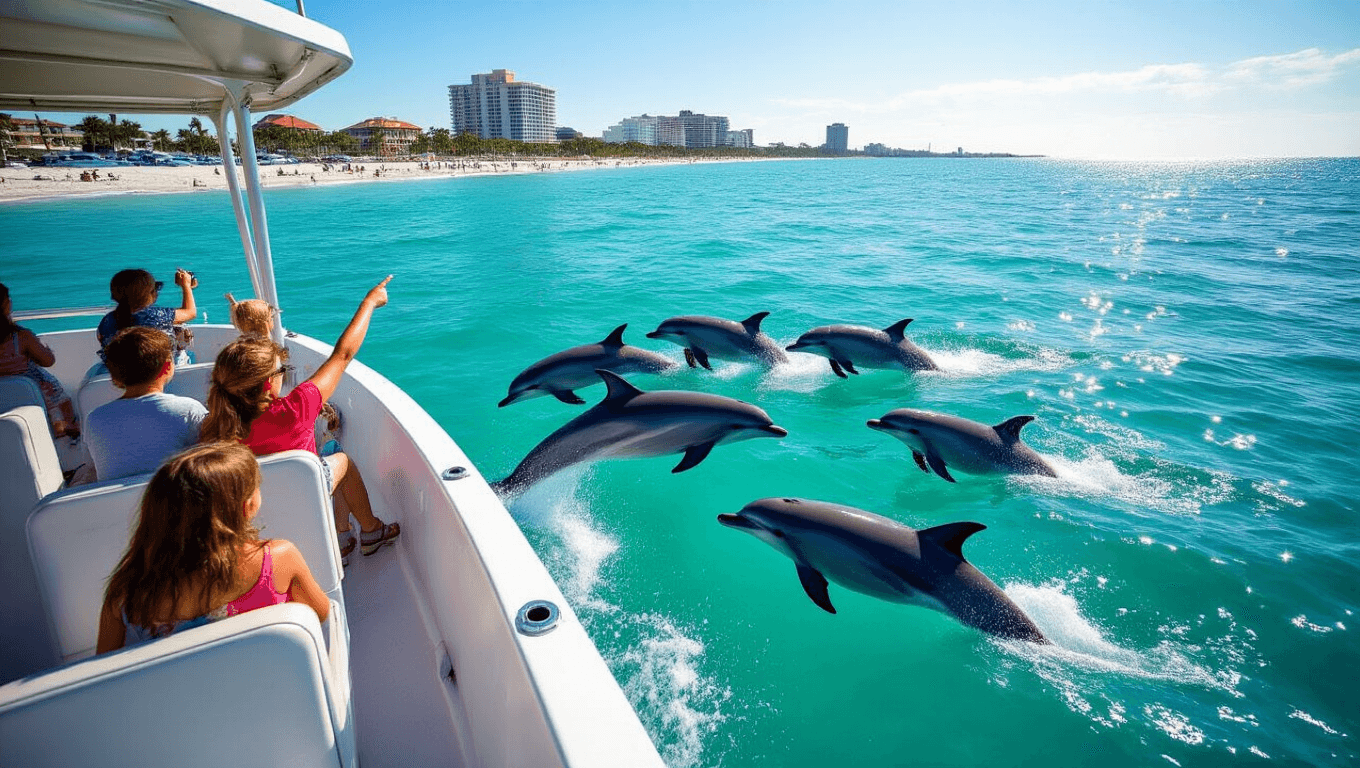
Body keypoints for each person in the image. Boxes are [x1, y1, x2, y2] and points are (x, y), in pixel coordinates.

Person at [201, 276, 400, 563]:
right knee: (340, 460)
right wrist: (369, 303)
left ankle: (343, 534)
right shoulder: (296, 408)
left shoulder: (212, 428)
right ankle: (371, 530)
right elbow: (342, 355)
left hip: (257, 517)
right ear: (269, 384)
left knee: (330, 456)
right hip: (306, 495)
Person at [96, 442, 329, 653]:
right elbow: (322, 614)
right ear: (247, 507)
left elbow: (106, 669)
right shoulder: (279, 559)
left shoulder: (125, 593)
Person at [84, 327, 207, 481]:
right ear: (168, 367)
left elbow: (96, 468)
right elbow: (209, 460)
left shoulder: (94, 419)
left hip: (116, 504)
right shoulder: (190, 410)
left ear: (114, 377)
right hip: (176, 500)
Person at [0, 282, 80, 438]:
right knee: (59, 396)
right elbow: (48, 361)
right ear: (6, 305)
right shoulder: (22, 336)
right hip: (28, 387)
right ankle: (66, 426)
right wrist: (46, 349)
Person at [95, 268, 198, 364]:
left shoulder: (107, 320)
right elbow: (190, 313)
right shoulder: (155, 316)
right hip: (155, 369)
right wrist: (186, 286)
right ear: (149, 294)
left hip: (119, 370)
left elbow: (100, 337)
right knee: (189, 355)